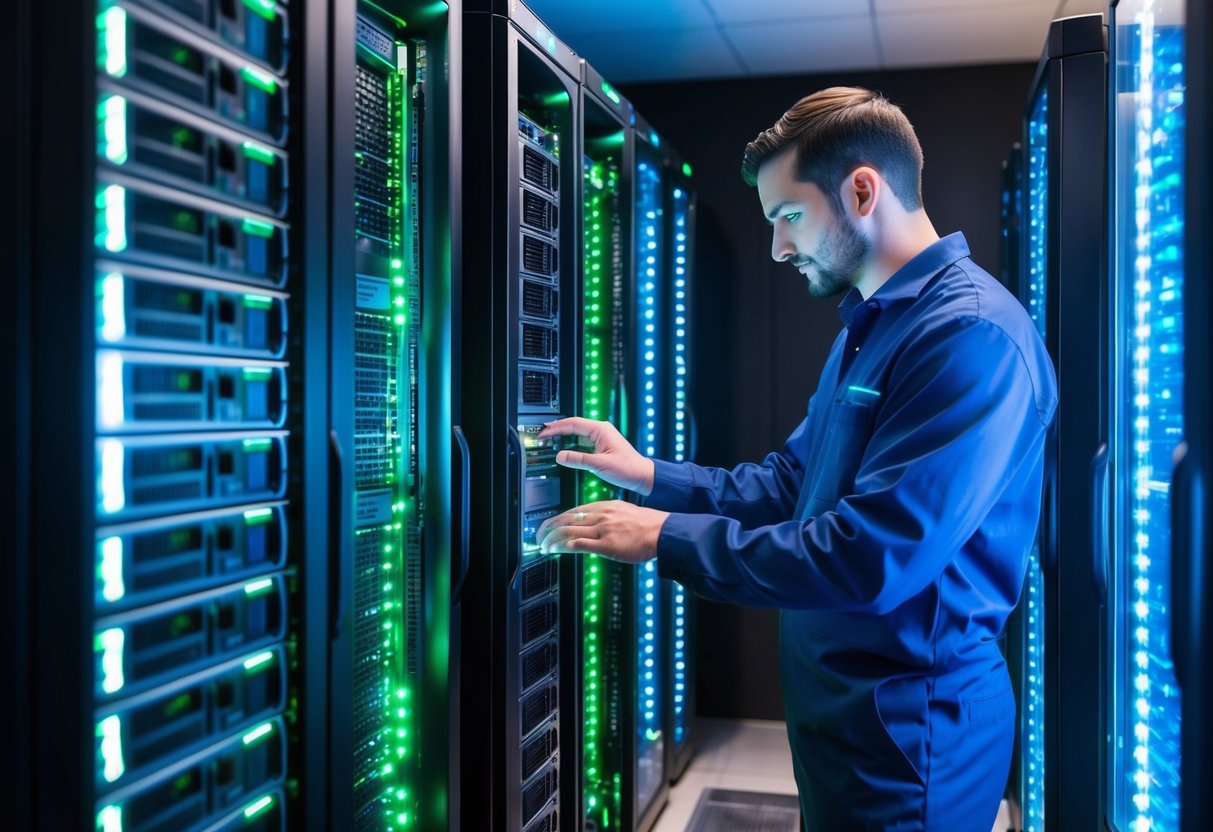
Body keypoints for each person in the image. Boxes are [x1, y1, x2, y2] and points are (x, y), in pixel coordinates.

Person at [535, 87, 1057, 830]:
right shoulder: (873, 327)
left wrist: (659, 537)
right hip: (846, 728)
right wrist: (648, 476)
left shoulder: (970, 337)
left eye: (787, 216)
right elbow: (789, 485)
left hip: (913, 744)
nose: (779, 247)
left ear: (861, 190)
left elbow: (869, 556)